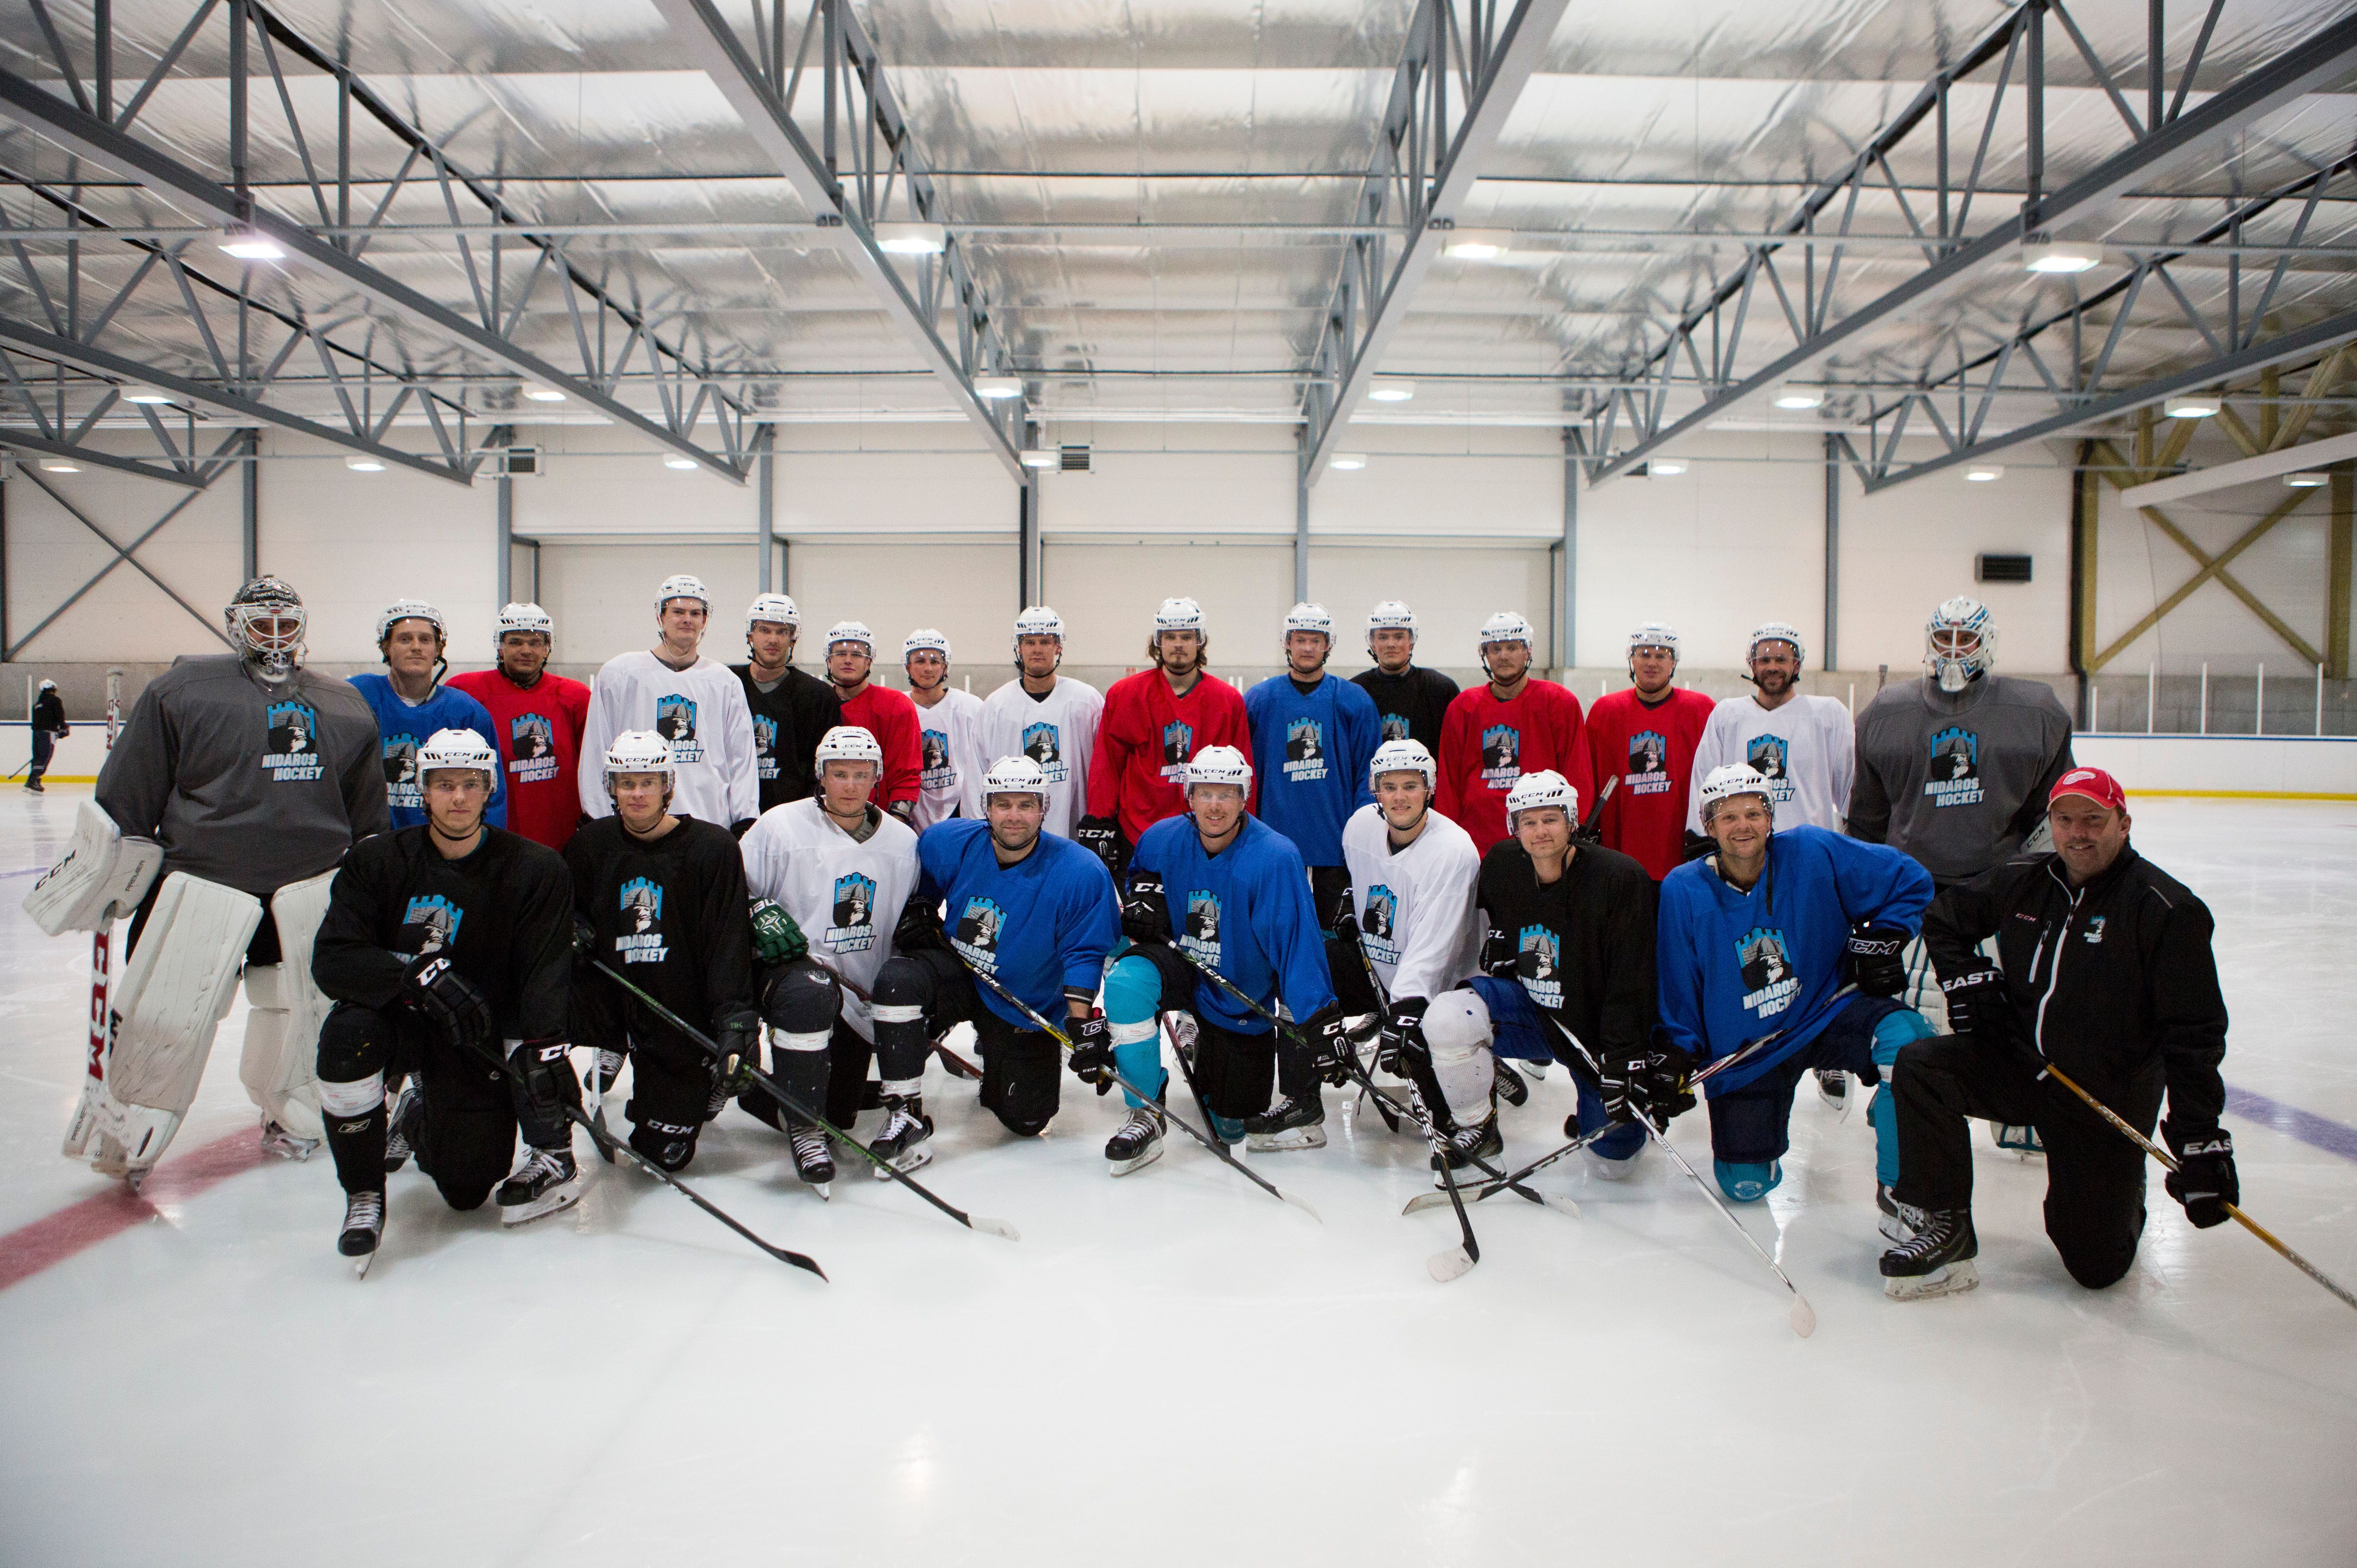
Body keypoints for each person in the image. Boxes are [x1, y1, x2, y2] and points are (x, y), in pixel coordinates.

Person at [41, 576, 388, 1181]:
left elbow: (367, 818)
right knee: (166, 1013)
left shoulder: (344, 703)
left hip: (307, 890)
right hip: (200, 883)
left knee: (297, 1008)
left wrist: (369, 888)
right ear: (235, 625)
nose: (275, 636)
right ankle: (126, 1129)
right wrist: (110, 871)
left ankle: (290, 1113)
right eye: (262, 623)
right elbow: (129, 794)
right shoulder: (181, 691)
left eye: (286, 623)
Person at [1880, 767, 2234, 1300]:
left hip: (2101, 1093)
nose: (2078, 833)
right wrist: (1969, 980)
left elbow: (2194, 1036)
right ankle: (1945, 1222)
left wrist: (2199, 1137)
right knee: (1924, 1066)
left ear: (2124, 824)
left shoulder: (2166, 909)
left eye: (2094, 819)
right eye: (2065, 820)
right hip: (2022, 1063)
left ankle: (2122, 1185)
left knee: (2095, 1264)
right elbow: (1944, 917)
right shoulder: (2024, 879)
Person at [310, 729, 577, 1262]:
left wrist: (544, 1055)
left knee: (466, 1189)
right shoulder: (377, 860)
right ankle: (364, 1193)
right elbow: (334, 958)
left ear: (490, 788)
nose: (458, 797)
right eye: (444, 784)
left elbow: (543, 976)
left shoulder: (535, 868)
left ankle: (418, 1111)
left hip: (473, 1033)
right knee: (347, 1035)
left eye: (471, 784)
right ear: (423, 790)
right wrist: (416, 975)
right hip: (401, 1023)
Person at [1649, 764, 1935, 1216]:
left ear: (1770, 817)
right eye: (1728, 817)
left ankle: (1902, 1185)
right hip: (1749, 1052)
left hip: (1825, 1012)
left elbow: (1910, 879)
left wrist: (1884, 936)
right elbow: (1679, 985)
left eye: (1754, 813)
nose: (1743, 826)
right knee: (1745, 1185)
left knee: (1908, 1040)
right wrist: (1677, 1055)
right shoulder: (1682, 889)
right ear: (1709, 826)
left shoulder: (1813, 850)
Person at [1850, 596, 2078, 1139]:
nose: (1954, 650)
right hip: (1916, 890)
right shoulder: (1886, 713)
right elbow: (1867, 820)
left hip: (2002, 889)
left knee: (2016, 1003)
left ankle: (2019, 1112)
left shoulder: (2037, 711)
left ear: (1987, 643)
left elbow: (2053, 812)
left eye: (1966, 639)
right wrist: (1860, 902)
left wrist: (2039, 882)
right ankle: (1905, 1097)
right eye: (1944, 638)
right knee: (1916, 1008)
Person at [1098, 745, 1345, 1168]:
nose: (1215, 805)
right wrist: (1148, 901)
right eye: (1205, 793)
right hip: (1182, 964)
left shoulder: (1275, 856)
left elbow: (1296, 947)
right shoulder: (1162, 837)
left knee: (1232, 1124)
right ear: (1189, 797)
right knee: (1126, 983)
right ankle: (1145, 1111)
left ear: (1244, 798)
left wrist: (1319, 1021)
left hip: (1237, 991)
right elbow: (1143, 879)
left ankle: (1206, 1042)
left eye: (1227, 794)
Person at [877, 755, 1119, 1144]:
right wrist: (922, 904)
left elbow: (1084, 953)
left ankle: (997, 1051)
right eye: (1003, 804)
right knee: (898, 980)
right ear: (986, 806)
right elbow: (922, 878)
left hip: (1023, 1000)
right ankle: (904, 1110)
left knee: (1029, 1120)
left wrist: (1081, 1025)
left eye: (1026, 804)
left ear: (1044, 808)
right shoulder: (948, 841)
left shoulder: (1080, 870)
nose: (1014, 816)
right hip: (960, 972)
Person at [738, 726, 928, 1191]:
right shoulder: (779, 826)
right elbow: (734, 893)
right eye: (839, 773)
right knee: (809, 1007)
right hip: (797, 982)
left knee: (839, 1115)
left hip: (856, 995)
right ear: (821, 775)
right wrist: (756, 912)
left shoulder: (902, 842)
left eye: (861, 774)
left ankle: (758, 1092)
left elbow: (906, 917)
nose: (849, 785)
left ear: (877, 777)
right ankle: (801, 1124)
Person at [565, 731, 757, 1174]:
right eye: (626, 782)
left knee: (663, 1155)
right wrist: (571, 926)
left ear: (668, 785)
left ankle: (700, 1078)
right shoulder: (589, 845)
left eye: (648, 782)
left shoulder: (713, 848)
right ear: (611, 787)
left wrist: (734, 1021)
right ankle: (553, 1129)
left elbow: (727, 943)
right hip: (611, 995)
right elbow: (563, 912)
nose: (637, 793)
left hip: (677, 1007)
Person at [1467, 767, 1659, 1179]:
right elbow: (1497, 916)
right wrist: (1500, 941)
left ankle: (1621, 1116)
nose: (1540, 831)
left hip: (1595, 1033)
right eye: (1529, 822)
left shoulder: (1620, 878)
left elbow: (1633, 979)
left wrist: (1624, 1057)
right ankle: (1476, 1127)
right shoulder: (1502, 863)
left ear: (1572, 821)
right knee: (1451, 1018)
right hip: (1539, 1016)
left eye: (1551, 819)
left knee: (1612, 1164)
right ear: (1514, 827)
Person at [1335, 739, 1499, 1168]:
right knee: (1309, 970)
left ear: (1430, 788)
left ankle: (1476, 1094)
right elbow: (1366, 877)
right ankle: (1303, 1102)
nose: (1399, 797)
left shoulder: (1453, 849)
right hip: (1385, 967)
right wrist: (1352, 902)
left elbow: (1433, 948)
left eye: (1411, 786)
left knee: (1443, 1111)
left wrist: (1404, 1010)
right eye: (1389, 786)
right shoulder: (1359, 827)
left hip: (1442, 986)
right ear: (1375, 790)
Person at [1076, 596, 1248, 878]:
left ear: (1200, 641)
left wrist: (1244, 826)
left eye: (1186, 637)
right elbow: (1107, 764)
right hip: (1137, 835)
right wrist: (1100, 820)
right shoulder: (1125, 694)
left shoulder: (1228, 701)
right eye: (1170, 637)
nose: (1178, 644)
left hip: (1207, 837)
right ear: (1158, 641)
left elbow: (1243, 774)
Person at [579, 574, 759, 835]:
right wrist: (599, 819)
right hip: (634, 828)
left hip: (707, 826)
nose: (687, 619)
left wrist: (745, 820)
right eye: (678, 612)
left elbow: (741, 760)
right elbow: (597, 751)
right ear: (660, 617)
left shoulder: (724, 681)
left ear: (705, 621)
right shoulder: (619, 674)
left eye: (695, 613)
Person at [1244, 603, 1381, 929]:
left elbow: (1369, 776)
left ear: (1328, 645)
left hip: (1334, 851)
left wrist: (1361, 838)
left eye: (1316, 640)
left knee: (1335, 940)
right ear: (1287, 643)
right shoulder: (1259, 699)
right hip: (1272, 849)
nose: (1307, 647)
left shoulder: (1354, 700)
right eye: (1300, 640)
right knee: (1274, 934)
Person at [1435, 610, 1594, 858]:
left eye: (1512, 647)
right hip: (1476, 842)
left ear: (1528, 651)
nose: (1504, 656)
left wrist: (1573, 826)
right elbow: (1449, 781)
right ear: (1485, 654)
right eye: (1496, 649)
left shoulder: (1559, 702)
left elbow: (1577, 771)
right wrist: (1447, 837)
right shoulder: (1463, 707)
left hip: (1541, 841)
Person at [350, 599, 507, 832]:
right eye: (405, 639)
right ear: (386, 647)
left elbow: (491, 790)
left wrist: (483, 846)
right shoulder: (357, 697)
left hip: (443, 843)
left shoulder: (467, 712)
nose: (416, 647)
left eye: (425, 640)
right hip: (371, 842)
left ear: (438, 649)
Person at [447, 602, 592, 853]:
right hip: (493, 837)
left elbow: (590, 767)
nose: (526, 650)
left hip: (561, 838)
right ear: (500, 647)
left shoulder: (575, 696)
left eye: (535, 642)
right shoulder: (467, 692)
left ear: (548, 648)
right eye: (515, 642)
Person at [1686, 621, 1852, 837]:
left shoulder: (1828, 715)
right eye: (1765, 660)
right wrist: (1700, 839)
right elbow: (1703, 783)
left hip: (1810, 847)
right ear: (1753, 666)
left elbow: (1851, 789)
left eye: (1781, 660)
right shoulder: (1727, 716)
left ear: (1797, 665)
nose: (1773, 667)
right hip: (1742, 846)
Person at [1583, 622, 1714, 880]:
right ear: (1631, 660)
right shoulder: (1605, 711)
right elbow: (1589, 778)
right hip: (1620, 856)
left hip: (1683, 855)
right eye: (1644, 655)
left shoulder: (1701, 709)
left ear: (1674, 662)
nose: (1652, 663)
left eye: (1661, 655)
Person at [980, 605, 1102, 839]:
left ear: (1058, 647)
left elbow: (1105, 765)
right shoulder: (996, 705)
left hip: (1075, 831)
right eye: (1030, 642)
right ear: (1019, 647)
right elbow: (979, 769)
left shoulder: (1087, 700)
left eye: (1045, 642)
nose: (1037, 649)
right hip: (1013, 831)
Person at [732, 593, 844, 812]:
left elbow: (825, 767)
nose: (773, 639)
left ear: (794, 638)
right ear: (751, 634)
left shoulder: (818, 695)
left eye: (782, 632)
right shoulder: (727, 685)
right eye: (765, 630)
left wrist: (806, 817)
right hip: (733, 814)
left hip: (795, 817)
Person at [819, 620, 922, 821]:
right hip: (823, 820)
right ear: (829, 660)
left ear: (869, 662)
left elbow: (906, 777)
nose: (848, 660)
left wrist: (893, 825)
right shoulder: (815, 704)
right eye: (841, 653)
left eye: (857, 655)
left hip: (877, 822)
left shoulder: (895, 705)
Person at [903, 629, 989, 828]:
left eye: (935, 662)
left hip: (962, 811)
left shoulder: (970, 707)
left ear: (946, 667)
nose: (928, 668)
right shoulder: (898, 707)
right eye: (920, 661)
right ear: (908, 667)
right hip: (910, 810)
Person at [1352, 601, 1459, 754]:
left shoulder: (1440, 689)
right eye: (1383, 637)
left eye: (1399, 637)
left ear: (1412, 641)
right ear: (1373, 644)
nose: (1391, 644)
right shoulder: (1356, 692)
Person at [26, 676, 66, 792]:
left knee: (38, 757)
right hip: (48, 734)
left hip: (37, 734)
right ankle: (32, 780)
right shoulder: (55, 700)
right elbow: (60, 715)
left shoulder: (37, 705)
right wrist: (63, 728)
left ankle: (35, 780)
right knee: (45, 756)